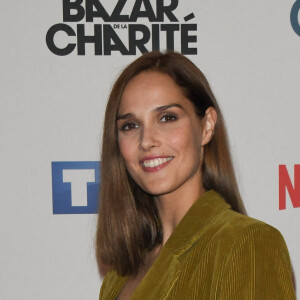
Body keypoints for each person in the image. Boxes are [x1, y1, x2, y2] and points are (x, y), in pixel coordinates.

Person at [96, 51, 296, 299]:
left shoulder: (248, 243)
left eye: (167, 118)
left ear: (207, 126)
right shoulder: (121, 272)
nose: (146, 141)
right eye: (130, 125)